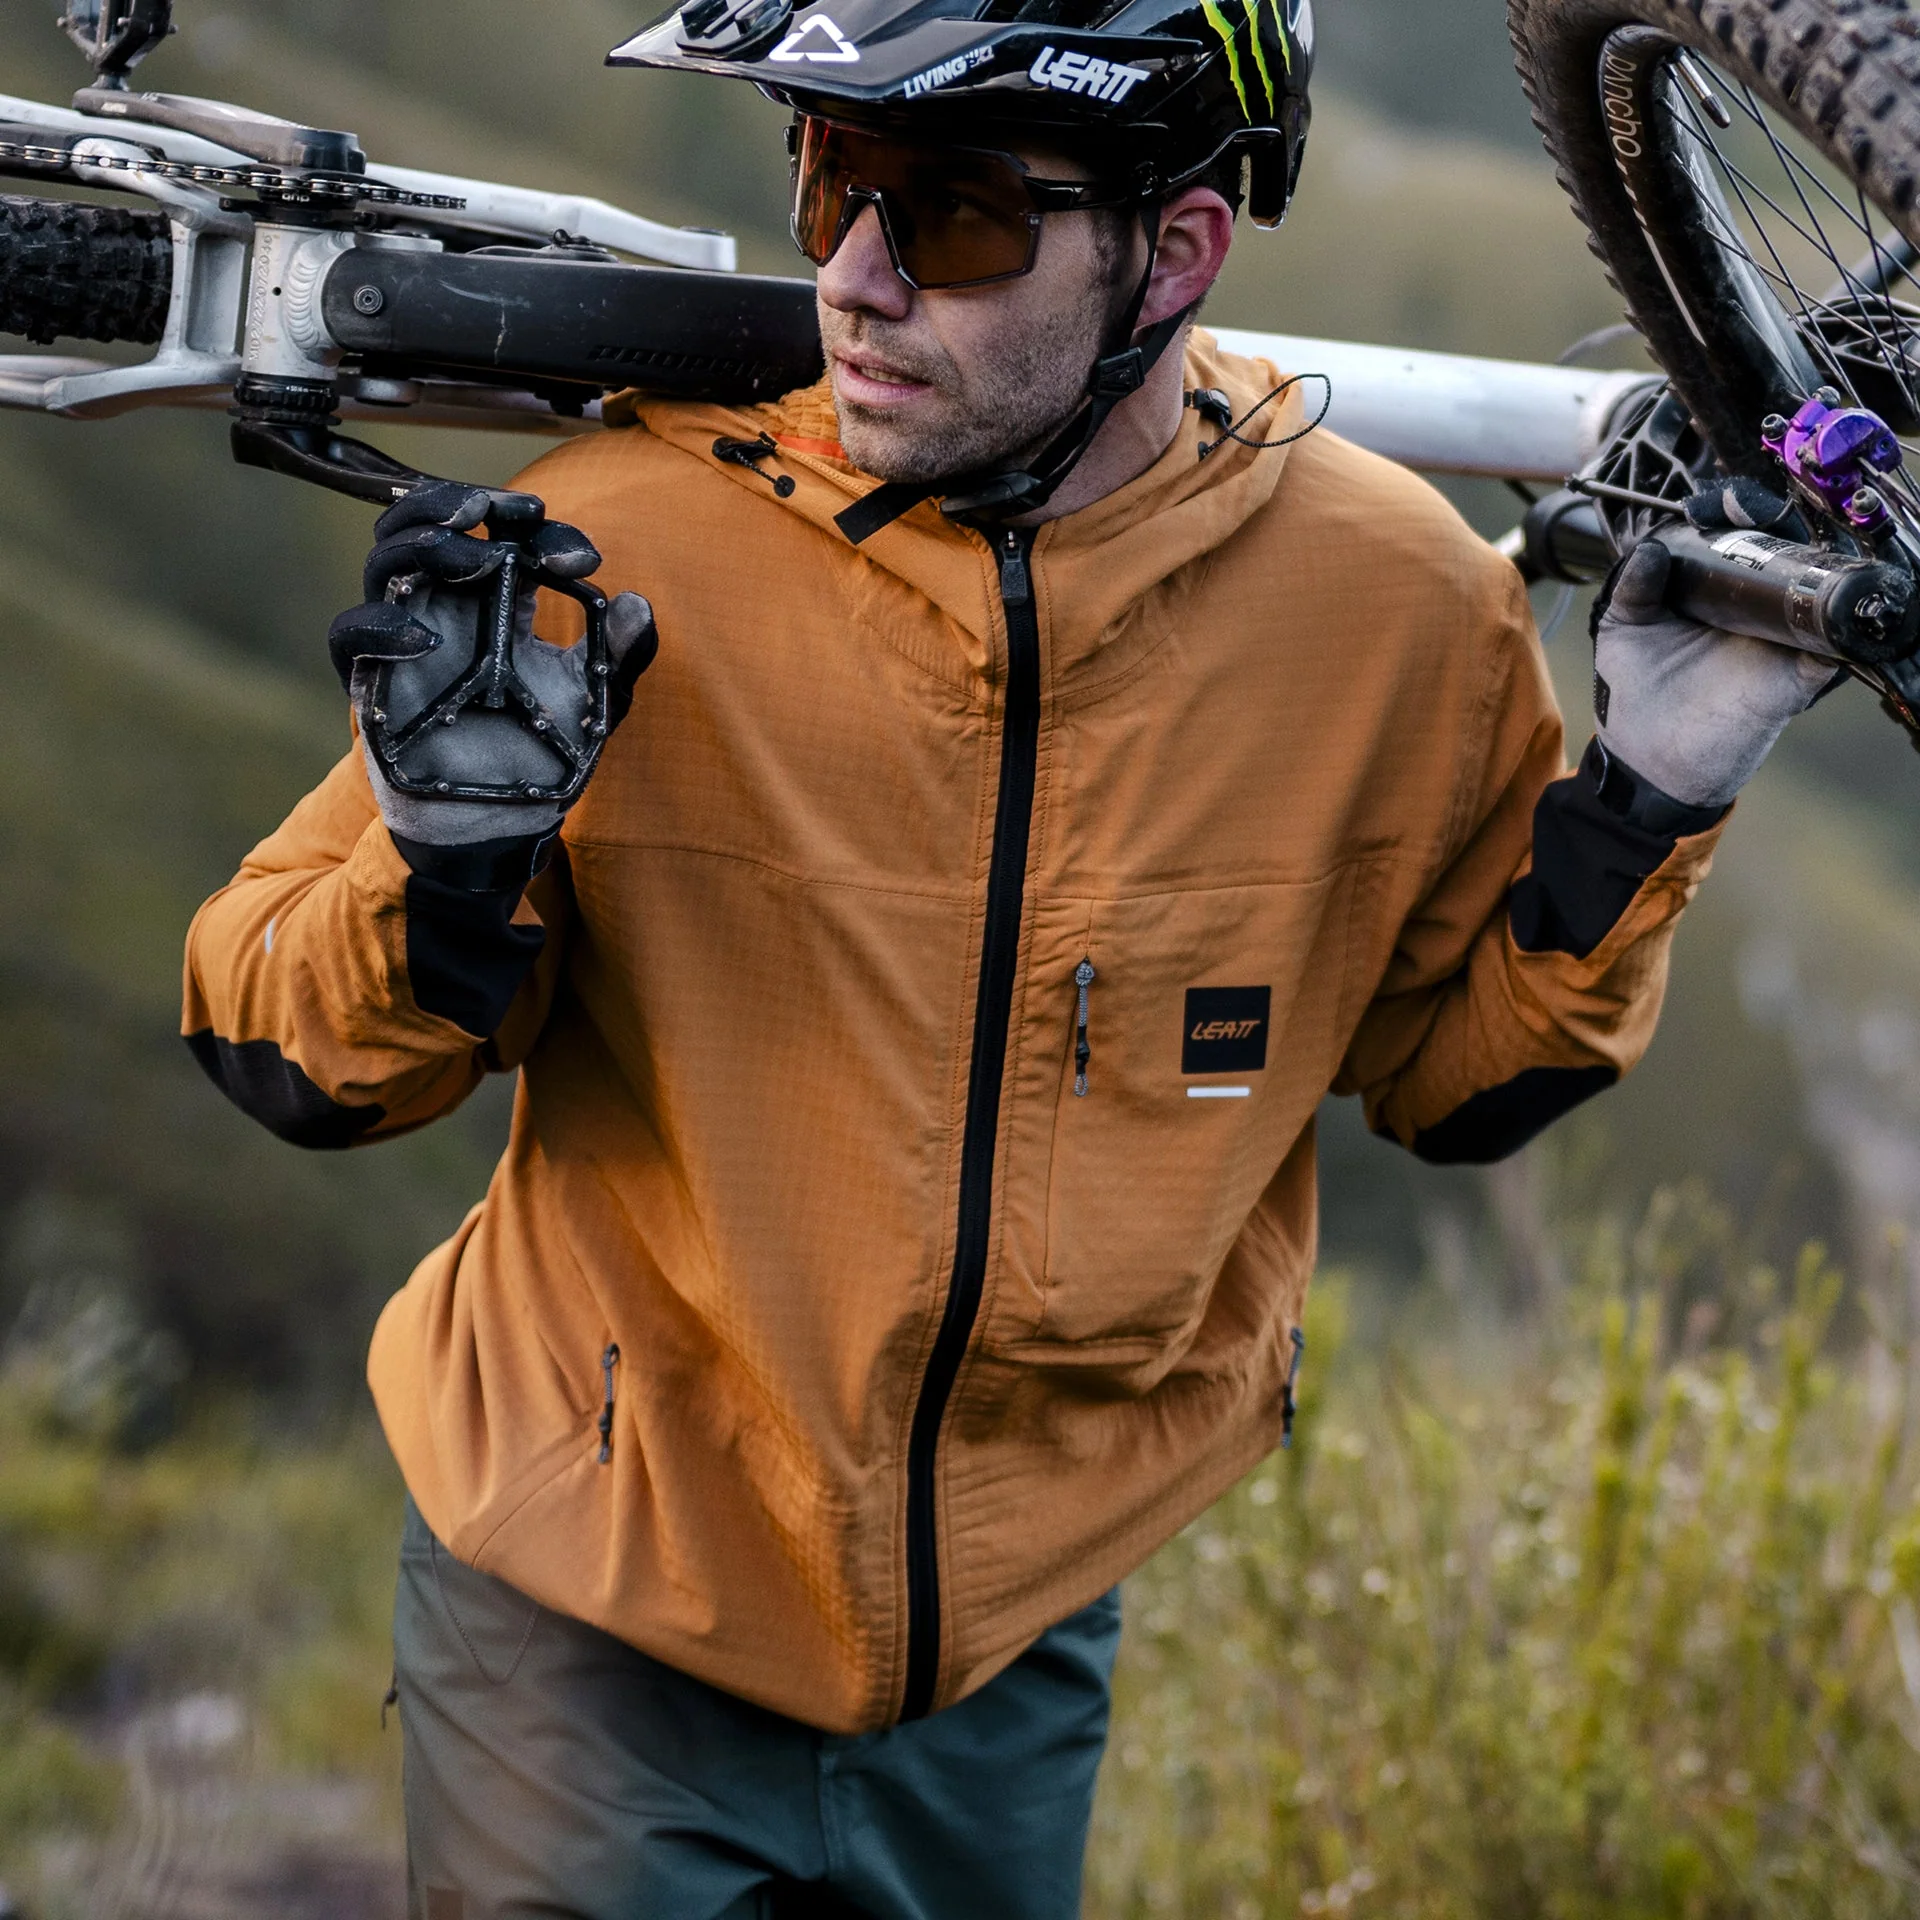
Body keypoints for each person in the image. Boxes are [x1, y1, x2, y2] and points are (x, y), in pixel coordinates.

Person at [179, 0, 1837, 1911]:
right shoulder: (609, 554)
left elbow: (1462, 1087)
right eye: (831, 184)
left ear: (1176, 252)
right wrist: (438, 874)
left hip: (1014, 1648)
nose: (857, 280)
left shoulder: (1401, 613)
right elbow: (283, 1054)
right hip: (589, 1603)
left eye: (954, 215)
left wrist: (1651, 792)